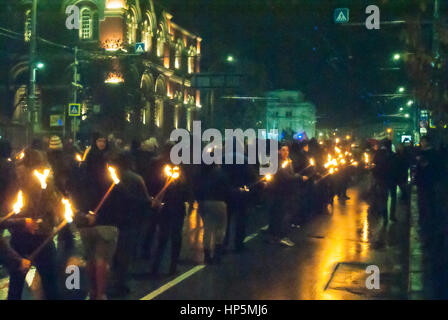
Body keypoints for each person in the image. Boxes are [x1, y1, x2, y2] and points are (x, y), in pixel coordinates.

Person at [7, 148, 61, 300]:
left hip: (19, 236)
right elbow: (55, 206)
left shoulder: (16, 179)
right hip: (41, 237)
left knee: (16, 282)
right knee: (50, 281)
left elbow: (9, 206)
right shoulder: (46, 180)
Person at [78, 132, 119, 300]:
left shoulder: (83, 174)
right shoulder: (108, 177)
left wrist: (84, 215)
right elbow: (114, 200)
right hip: (105, 223)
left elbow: (77, 195)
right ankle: (100, 293)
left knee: (90, 259)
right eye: (100, 140)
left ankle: (92, 291)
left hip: (86, 224)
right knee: (102, 260)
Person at [146, 141, 192, 276]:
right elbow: (185, 184)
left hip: (165, 204)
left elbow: (150, 182)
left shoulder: (157, 163)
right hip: (174, 204)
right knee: (175, 237)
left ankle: (156, 266)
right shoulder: (178, 164)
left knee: (162, 237)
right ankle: (172, 266)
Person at [266, 144, 308, 247]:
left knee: (279, 214)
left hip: (284, 191)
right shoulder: (277, 162)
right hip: (279, 192)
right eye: (283, 150)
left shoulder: (287, 161)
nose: (286, 152)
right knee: (280, 215)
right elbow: (285, 177)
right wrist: (299, 177)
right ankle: (280, 236)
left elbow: (290, 174)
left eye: (287, 150)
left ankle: (275, 236)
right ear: (279, 151)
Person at [196, 162, 229, 263]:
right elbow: (227, 189)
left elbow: (197, 189)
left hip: (205, 202)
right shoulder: (221, 174)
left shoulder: (201, 174)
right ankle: (217, 254)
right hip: (219, 202)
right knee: (220, 228)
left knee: (207, 229)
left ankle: (207, 256)